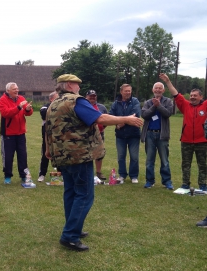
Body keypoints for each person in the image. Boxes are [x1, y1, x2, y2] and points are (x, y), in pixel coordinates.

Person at [45, 74, 143, 251]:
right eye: (77, 84)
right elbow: (101, 118)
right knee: (84, 194)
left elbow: (47, 128)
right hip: (79, 155)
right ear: (68, 84)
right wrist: (126, 119)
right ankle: (70, 236)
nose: (79, 88)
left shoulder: (54, 103)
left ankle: (73, 227)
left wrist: (47, 149)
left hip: (61, 155)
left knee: (71, 192)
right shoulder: (76, 101)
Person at [160, 73, 207, 191]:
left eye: (195, 95)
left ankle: (203, 184)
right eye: (191, 95)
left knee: (203, 165)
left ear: (201, 97)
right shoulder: (185, 105)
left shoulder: (205, 105)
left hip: (202, 141)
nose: (192, 97)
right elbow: (175, 94)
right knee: (185, 164)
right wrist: (168, 82)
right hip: (186, 141)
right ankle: (185, 184)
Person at [0, 82, 34, 186]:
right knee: (8, 156)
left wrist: (28, 109)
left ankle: (23, 176)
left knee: (23, 155)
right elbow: (6, 113)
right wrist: (18, 107)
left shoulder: (21, 98)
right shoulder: (2, 100)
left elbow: (28, 113)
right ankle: (7, 176)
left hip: (21, 133)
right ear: (8, 90)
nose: (17, 91)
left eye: (17, 88)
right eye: (14, 89)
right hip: (8, 133)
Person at [141, 82, 174, 190]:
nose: (158, 90)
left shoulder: (168, 101)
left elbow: (168, 113)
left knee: (164, 160)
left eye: (160, 88)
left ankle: (167, 182)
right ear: (153, 90)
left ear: (163, 91)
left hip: (162, 134)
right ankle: (149, 181)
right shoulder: (148, 102)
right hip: (150, 134)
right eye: (156, 88)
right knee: (149, 160)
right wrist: (153, 107)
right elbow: (144, 115)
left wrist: (158, 105)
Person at [109, 84, 141, 184]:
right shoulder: (116, 103)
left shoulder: (135, 101)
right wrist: (118, 123)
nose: (128, 93)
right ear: (121, 91)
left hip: (134, 134)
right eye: (126, 91)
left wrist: (120, 123)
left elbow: (135, 115)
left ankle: (134, 176)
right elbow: (110, 116)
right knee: (121, 156)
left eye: (129, 91)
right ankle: (122, 175)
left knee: (134, 156)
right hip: (120, 135)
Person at [85, 90, 108, 180]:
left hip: (99, 134)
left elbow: (106, 119)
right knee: (87, 153)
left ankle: (98, 172)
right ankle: (87, 173)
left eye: (94, 96)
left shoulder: (101, 107)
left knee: (99, 153)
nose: (92, 98)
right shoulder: (84, 106)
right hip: (87, 134)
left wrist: (101, 129)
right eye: (90, 96)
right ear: (86, 97)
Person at [37, 91, 59, 182]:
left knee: (58, 154)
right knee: (45, 154)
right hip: (47, 136)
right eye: (57, 98)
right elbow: (44, 114)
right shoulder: (45, 107)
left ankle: (59, 174)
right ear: (51, 99)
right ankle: (42, 174)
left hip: (58, 135)